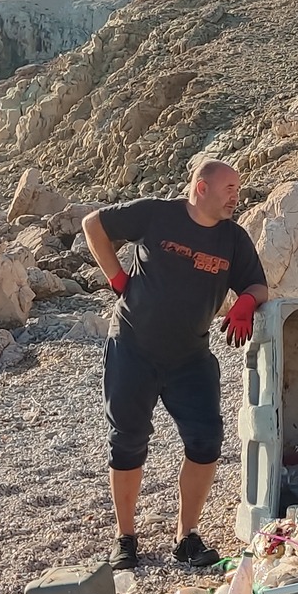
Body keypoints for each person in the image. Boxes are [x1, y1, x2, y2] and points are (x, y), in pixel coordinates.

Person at [81, 158, 269, 572]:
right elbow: (93, 224)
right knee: (127, 440)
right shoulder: (156, 213)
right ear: (201, 188)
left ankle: (186, 538)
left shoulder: (233, 239)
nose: (236, 197)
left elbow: (258, 283)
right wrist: (117, 279)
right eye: (229, 189)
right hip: (133, 346)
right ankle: (125, 536)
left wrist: (245, 302)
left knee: (206, 441)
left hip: (191, 355)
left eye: (238, 189)